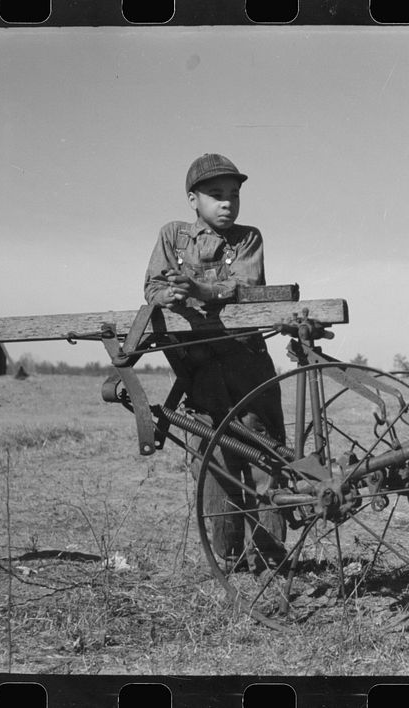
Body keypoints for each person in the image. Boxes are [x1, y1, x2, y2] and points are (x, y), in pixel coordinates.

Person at [144, 153, 286, 572]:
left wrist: (198, 288)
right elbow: (152, 283)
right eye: (216, 195)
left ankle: (270, 555)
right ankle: (228, 558)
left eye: (234, 195)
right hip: (200, 369)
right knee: (213, 461)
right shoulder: (173, 236)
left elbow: (245, 286)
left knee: (265, 455)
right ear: (193, 199)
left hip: (247, 365)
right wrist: (165, 295)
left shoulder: (248, 239)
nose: (228, 203)